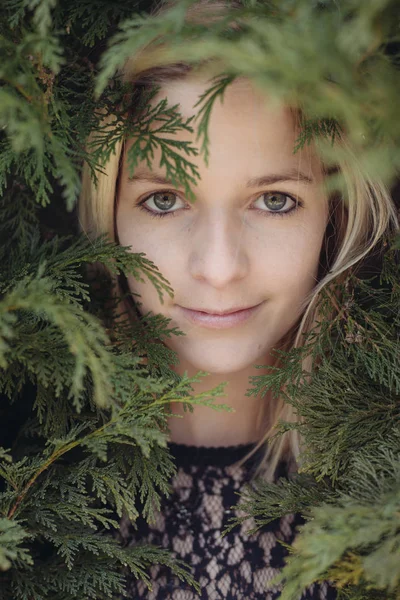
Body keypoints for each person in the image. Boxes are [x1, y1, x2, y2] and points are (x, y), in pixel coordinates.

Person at [78, 0, 398, 598]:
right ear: (111, 213)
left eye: (274, 200)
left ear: (333, 215)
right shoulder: (32, 487)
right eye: (165, 200)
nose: (220, 268)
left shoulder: (385, 490)